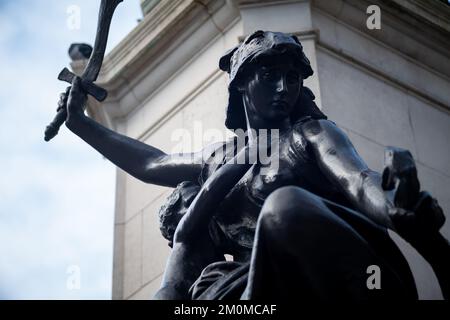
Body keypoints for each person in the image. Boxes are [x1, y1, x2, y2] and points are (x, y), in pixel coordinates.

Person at [61, 30, 449, 299]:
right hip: (252, 283)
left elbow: (359, 181)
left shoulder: (311, 134)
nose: (284, 88)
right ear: (241, 84)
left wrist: (392, 203)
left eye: (293, 78)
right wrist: (81, 123)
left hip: (345, 275)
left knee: (285, 209)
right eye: (270, 76)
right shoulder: (217, 159)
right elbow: (152, 162)